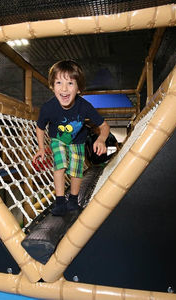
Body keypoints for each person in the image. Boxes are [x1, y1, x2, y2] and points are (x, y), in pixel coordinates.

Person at [32, 60, 110, 216]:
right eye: (59, 82)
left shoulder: (85, 106)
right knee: (60, 164)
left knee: (76, 169)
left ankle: (73, 200)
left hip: (78, 141)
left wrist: (101, 139)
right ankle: (60, 201)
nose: (64, 89)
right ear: (52, 86)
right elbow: (40, 128)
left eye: (70, 83)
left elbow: (104, 126)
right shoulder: (48, 107)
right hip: (58, 139)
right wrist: (41, 148)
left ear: (79, 88)